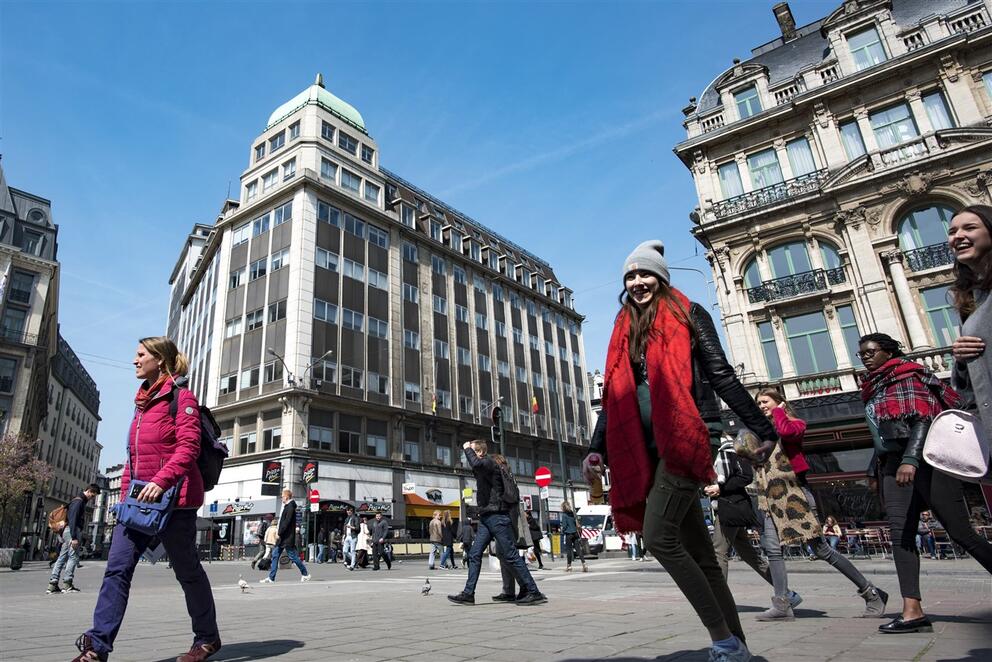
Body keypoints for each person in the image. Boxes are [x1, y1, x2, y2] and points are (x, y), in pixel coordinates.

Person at [582, 240, 793, 661]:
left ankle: (723, 641)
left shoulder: (689, 313)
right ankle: (739, 649)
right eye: (631, 276)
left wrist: (761, 426)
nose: (638, 282)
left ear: (661, 278)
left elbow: (720, 374)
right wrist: (597, 448)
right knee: (701, 554)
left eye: (645, 274)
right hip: (642, 447)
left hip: (687, 435)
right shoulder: (623, 324)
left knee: (659, 538)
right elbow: (615, 396)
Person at [72, 337, 220, 662]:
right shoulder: (141, 404)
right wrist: (126, 498)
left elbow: (188, 449)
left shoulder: (182, 399)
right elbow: (133, 460)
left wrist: (161, 481)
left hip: (175, 502)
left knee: (187, 571)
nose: (135, 360)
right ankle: (96, 648)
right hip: (139, 503)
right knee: (116, 569)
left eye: (141, 355)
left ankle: (207, 638)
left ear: (160, 360)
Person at [860, 330, 992, 634]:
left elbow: (923, 417)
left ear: (889, 351)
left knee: (961, 533)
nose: (866, 357)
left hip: (926, 463)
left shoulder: (908, 376)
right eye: (862, 354)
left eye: (871, 351)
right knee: (901, 536)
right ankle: (913, 611)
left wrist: (911, 459)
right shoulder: (875, 385)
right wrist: (874, 469)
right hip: (892, 465)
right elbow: (882, 433)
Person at [748, 389, 888, 620]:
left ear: (780, 402)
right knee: (772, 550)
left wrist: (780, 413)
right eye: (759, 403)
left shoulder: (795, 423)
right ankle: (782, 604)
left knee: (821, 549)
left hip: (796, 495)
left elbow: (787, 433)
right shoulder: (764, 432)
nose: (761, 405)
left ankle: (871, 593)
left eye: (765, 401)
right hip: (770, 498)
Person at [448, 439, 547, 605]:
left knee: (510, 554)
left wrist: (467, 447)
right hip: (487, 517)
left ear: (479, 452)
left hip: (497, 517)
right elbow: (476, 468)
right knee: (474, 554)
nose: (469, 457)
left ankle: (533, 590)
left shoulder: (488, 462)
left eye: (473, 452)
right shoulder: (485, 467)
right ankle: (468, 593)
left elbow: (476, 464)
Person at [705, 438, 794, 614]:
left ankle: (720, 602)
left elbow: (746, 476)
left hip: (731, 507)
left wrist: (720, 488)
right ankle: (787, 594)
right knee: (750, 556)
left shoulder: (732, 451)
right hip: (726, 506)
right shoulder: (716, 455)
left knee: (718, 551)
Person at [48, 483, 101, 594]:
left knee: (62, 557)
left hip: (68, 531)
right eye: (93, 495)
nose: (92, 498)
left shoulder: (77, 500)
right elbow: (72, 520)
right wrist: (74, 537)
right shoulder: (79, 502)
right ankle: (67, 584)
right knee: (73, 557)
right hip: (72, 531)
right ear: (89, 491)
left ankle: (52, 585)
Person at [261, 489, 311, 583]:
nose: (281, 498)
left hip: (287, 537)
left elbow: (286, 522)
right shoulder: (287, 506)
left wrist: (279, 533)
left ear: (287, 497)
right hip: (283, 538)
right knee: (275, 555)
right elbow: (282, 522)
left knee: (293, 556)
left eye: (283, 496)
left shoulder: (290, 507)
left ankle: (305, 574)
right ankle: (271, 577)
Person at [560, 501, 587, 572]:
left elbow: (564, 526)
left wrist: (562, 531)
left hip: (569, 534)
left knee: (569, 550)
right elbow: (576, 523)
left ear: (563, 507)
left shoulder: (564, 515)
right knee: (578, 549)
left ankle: (569, 566)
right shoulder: (572, 513)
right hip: (575, 533)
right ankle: (584, 564)